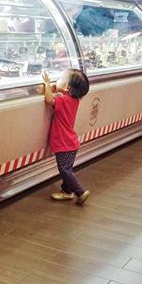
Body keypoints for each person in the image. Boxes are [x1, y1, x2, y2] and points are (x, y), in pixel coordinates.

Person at [42, 69, 90, 204]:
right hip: (71, 143)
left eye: (60, 79)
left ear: (67, 88)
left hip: (64, 144)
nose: (57, 81)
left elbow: (49, 100)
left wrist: (47, 84)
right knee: (67, 169)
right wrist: (57, 88)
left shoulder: (63, 100)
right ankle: (67, 192)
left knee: (64, 170)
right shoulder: (74, 100)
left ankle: (80, 192)